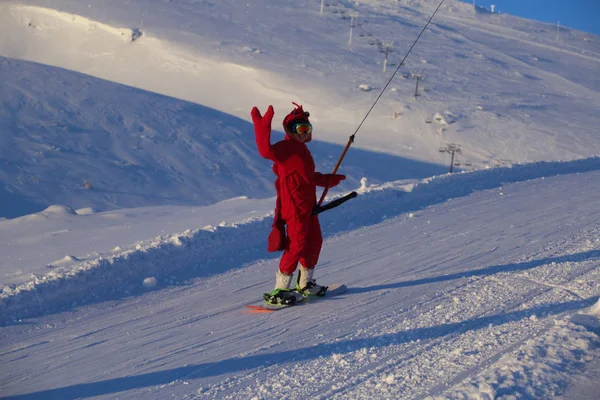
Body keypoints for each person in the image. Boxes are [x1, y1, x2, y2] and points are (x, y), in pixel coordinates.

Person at [251, 102, 345, 305]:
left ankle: (305, 284)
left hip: (308, 205)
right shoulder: (285, 148)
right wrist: (262, 127)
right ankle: (280, 289)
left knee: (314, 242)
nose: (303, 133)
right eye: (299, 129)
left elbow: (306, 176)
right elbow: (265, 151)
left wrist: (326, 180)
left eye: (306, 129)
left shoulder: (300, 149)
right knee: (296, 245)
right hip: (294, 207)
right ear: (289, 130)